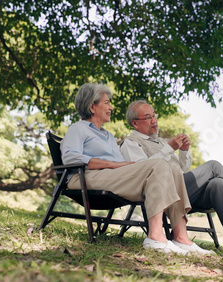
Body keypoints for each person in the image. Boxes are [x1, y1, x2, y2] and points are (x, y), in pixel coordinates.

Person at [60, 83, 213, 255]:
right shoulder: (77, 129)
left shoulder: (108, 136)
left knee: (170, 166)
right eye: (107, 103)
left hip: (113, 178)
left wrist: (128, 166)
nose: (111, 107)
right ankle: (155, 236)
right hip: (85, 178)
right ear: (92, 106)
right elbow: (70, 157)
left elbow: (122, 165)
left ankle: (181, 238)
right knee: (159, 164)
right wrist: (112, 164)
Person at [120, 100, 223, 260]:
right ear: (135, 123)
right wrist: (169, 149)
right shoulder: (131, 143)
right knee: (214, 166)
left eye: (154, 115)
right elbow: (141, 171)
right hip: (161, 195)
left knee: (219, 184)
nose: (154, 120)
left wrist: (183, 151)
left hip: (181, 195)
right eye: (148, 117)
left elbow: (182, 170)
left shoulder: (161, 142)